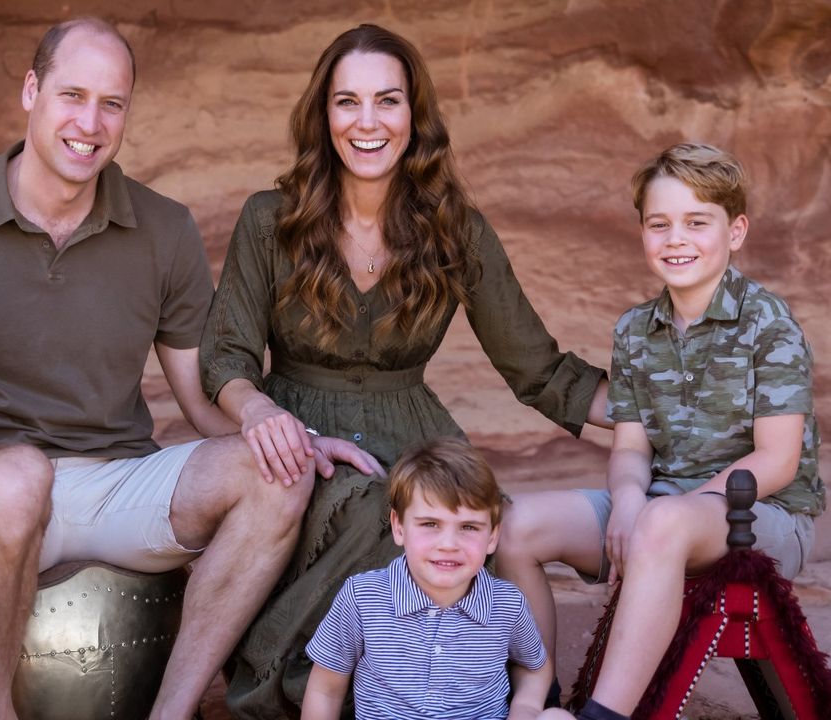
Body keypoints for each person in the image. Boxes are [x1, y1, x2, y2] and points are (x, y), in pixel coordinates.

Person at [0, 17, 375, 720]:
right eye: (72, 95)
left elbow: (202, 398)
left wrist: (283, 431)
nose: (90, 121)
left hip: (110, 481)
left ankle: (170, 711)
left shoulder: (161, 228)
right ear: (31, 91)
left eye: (112, 103)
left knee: (276, 475)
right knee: (18, 477)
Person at [200, 23, 611, 717]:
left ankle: (511, 701)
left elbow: (538, 369)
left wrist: (670, 418)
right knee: (377, 509)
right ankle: (319, 698)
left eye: (387, 101)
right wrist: (260, 413)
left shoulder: (456, 229)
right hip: (303, 444)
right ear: (322, 114)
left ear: (414, 116)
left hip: (417, 432)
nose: (367, 122)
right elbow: (226, 356)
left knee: (466, 521)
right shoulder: (270, 220)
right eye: (346, 102)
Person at [496, 143, 823, 720]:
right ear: (643, 233)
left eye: (698, 223)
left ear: (736, 231)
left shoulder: (769, 324)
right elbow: (630, 448)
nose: (677, 239)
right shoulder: (634, 331)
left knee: (665, 522)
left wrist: (658, 518)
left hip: (761, 519)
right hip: (660, 508)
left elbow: (777, 460)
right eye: (659, 224)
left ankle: (603, 715)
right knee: (518, 526)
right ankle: (535, 701)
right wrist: (626, 501)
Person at [301, 438, 551, 720]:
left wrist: (526, 709)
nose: (448, 544)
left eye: (469, 527)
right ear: (399, 527)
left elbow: (534, 667)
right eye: (430, 524)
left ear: (492, 536)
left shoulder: (506, 605)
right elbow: (326, 688)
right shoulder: (363, 597)